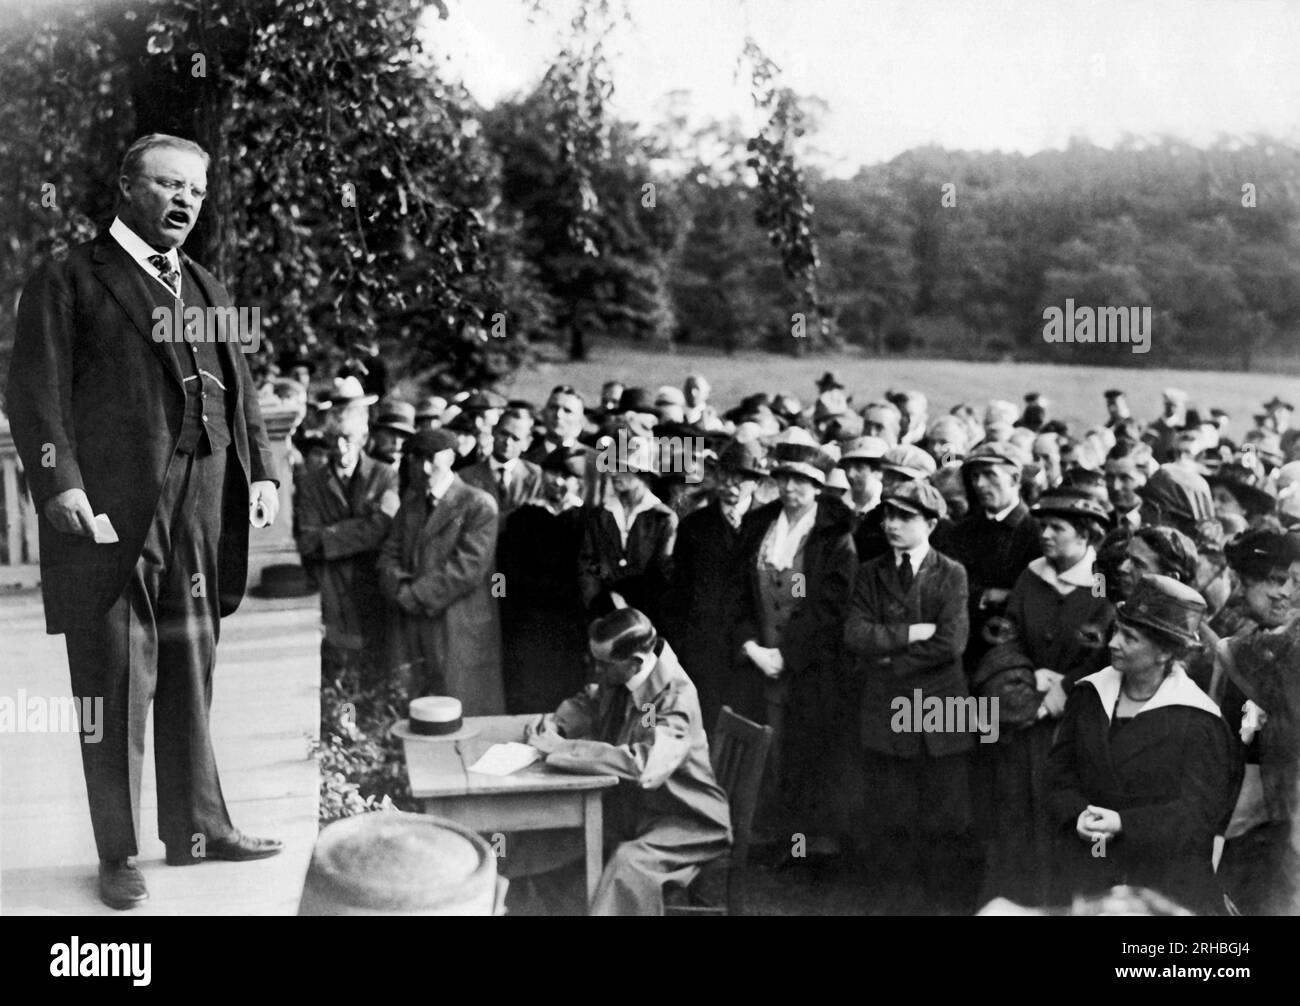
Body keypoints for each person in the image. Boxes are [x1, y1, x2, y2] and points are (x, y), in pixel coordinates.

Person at [5, 133, 283, 910]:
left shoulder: (209, 286)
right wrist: (59, 483)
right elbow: (34, 393)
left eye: (195, 190)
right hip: (112, 507)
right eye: (168, 185)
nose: (185, 201)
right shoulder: (68, 277)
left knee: (192, 664)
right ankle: (117, 852)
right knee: (116, 677)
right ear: (128, 187)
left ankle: (198, 828)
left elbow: (240, 385)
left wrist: (261, 469)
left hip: (204, 495)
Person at [1046, 574, 1241, 915]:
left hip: (1163, 889)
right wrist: (1076, 814)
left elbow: (1198, 816)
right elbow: (1059, 772)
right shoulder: (1089, 694)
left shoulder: (1199, 721)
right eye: (1117, 630)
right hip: (1088, 873)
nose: (1113, 643)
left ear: (1165, 652)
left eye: (1130, 638)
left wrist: (1123, 823)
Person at [524, 607, 732, 916]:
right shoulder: (623, 676)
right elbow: (591, 702)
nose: (596, 670)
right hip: (635, 809)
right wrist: (558, 725)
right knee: (549, 838)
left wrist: (564, 749)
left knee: (628, 865)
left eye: (603, 664)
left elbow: (645, 767)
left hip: (684, 819)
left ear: (635, 662)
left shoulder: (674, 699)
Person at [972, 489, 1115, 907]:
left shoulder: (1102, 586)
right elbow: (1005, 636)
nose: (1046, 535)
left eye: (1057, 528)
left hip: (1073, 725)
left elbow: (1104, 656)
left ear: (1085, 535)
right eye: (1044, 527)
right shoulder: (1031, 576)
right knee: (1016, 813)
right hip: (1024, 720)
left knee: (1062, 815)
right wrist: (1025, 680)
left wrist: (1061, 691)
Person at [844, 480, 976, 913]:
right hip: (886, 708)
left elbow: (951, 644)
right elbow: (855, 634)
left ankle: (943, 904)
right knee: (891, 811)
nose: (891, 524)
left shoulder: (952, 573)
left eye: (904, 517)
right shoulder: (870, 572)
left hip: (942, 707)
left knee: (945, 815)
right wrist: (909, 633)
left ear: (931, 524)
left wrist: (889, 660)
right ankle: (895, 904)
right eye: (888, 515)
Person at [731, 442, 857, 868]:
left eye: (801, 481)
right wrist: (752, 646)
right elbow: (738, 594)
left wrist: (787, 655)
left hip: (811, 666)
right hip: (758, 661)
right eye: (784, 478)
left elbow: (830, 607)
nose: (789, 488)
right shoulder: (758, 526)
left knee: (805, 756)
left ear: (818, 487)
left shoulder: (834, 536)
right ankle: (764, 837)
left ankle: (802, 847)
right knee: (765, 752)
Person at [377, 428, 505, 713]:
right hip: (413, 623)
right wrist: (397, 587)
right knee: (416, 709)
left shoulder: (478, 504)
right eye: (417, 459)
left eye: (431, 459)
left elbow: (466, 570)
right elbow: (389, 554)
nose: (424, 469)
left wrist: (413, 595)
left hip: (457, 625)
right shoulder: (411, 503)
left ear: (450, 458)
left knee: (461, 709)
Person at [1211, 530, 1300, 914]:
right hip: (1244, 812)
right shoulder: (1243, 638)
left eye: (1291, 581)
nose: (1283, 593)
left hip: (1282, 811)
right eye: (1270, 581)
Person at [662, 440, 766, 733]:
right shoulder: (695, 526)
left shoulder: (768, 523)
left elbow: (793, 584)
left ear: (756, 483)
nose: (730, 484)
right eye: (725, 475)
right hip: (702, 647)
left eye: (740, 477)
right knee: (702, 723)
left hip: (750, 648)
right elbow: (679, 592)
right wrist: (682, 643)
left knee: (744, 727)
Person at [294, 408, 401, 684]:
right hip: (333, 586)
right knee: (339, 663)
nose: (341, 447)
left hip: (376, 581)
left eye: (348, 438)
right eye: (335, 439)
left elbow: (385, 528)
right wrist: (364, 527)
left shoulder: (385, 476)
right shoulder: (311, 483)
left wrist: (330, 535)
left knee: (380, 662)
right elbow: (307, 542)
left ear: (364, 439)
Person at [497, 446, 591, 714]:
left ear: (579, 482)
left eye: (567, 476)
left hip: (570, 624)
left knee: (568, 691)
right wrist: (504, 607)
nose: (558, 482)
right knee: (528, 690)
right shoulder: (521, 518)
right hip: (528, 623)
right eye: (552, 473)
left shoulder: (589, 521)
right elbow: (503, 573)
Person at [948, 442, 1042, 675]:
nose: (980, 484)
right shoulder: (961, 531)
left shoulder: (1037, 532)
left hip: (1012, 655)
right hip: (961, 648)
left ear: (1015, 478)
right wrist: (986, 595)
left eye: (990, 475)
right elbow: (947, 586)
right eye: (975, 476)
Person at [578, 437, 676, 624]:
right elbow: (588, 563)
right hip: (602, 614)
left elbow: (663, 572)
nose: (613, 473)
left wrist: (631, 607)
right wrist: (599, 603)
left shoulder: (663, 518)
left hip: (646, 616)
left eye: (622, 468)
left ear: (643, 474)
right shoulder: (599, 515)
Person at [458, 407, 543, 524]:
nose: (508, 442)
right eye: (504, 434)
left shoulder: (535, 476)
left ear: (527, 443)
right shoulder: (466, 476)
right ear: (494, 431)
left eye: (515, 438)